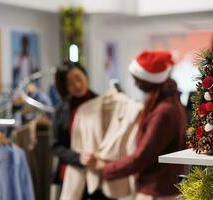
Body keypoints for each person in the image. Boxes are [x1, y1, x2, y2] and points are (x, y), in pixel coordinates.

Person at [92, 51, 187, 200]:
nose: (135, 84)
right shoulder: (171, 103)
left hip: (156, 191)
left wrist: (105, 169)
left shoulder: (163, 111)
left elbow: (142, 156)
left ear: (148, 80)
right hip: (165, 187)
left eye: (136, 79)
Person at [52, 61, 110, 200]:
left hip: (100, 173)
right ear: (64, 87)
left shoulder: (104, 104)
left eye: (79, 78)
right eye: (70, 83)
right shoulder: (61, 111)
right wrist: (78, 158)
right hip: (71, 174)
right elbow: (56, 145)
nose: (77, 86)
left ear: (85, 75)